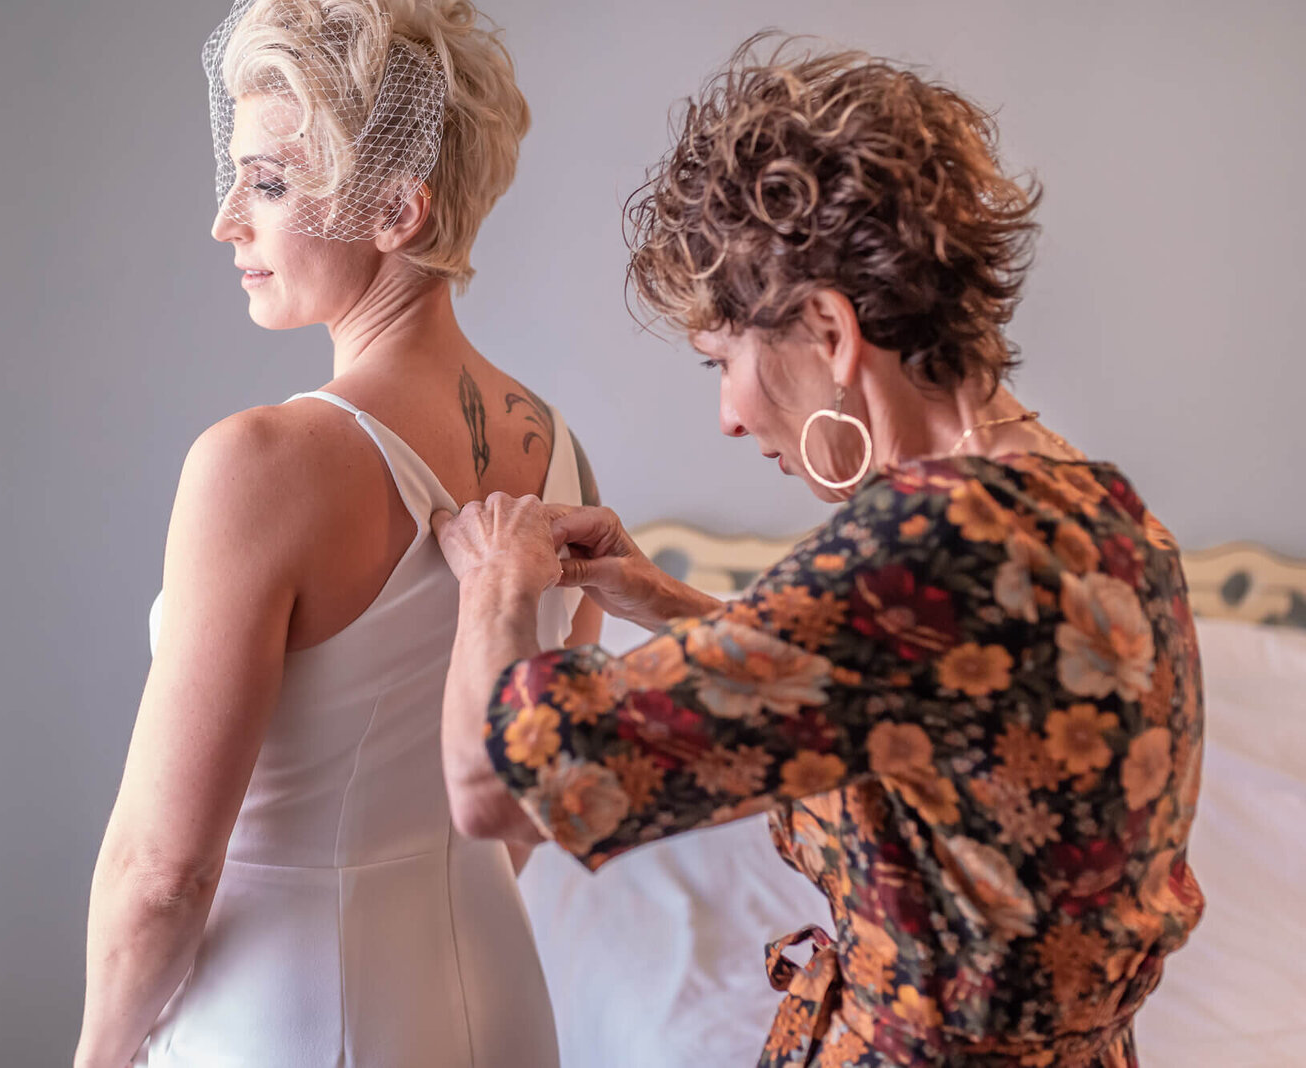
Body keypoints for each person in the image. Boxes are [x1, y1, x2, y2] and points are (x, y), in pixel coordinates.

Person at [432, 35, 1203, 1068]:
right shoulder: (1096, 513)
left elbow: (498, 785)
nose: (727, 416)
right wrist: (660, 601)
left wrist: (492, 578)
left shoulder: (926, 544)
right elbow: (897, 700)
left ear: (831, 333)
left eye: (722, 362)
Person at [73, 1, 599, 1064]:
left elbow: (161, 873)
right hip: (497, 1001)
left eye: (267, 182)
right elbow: (537, 795)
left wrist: (97, 1053)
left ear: (398, 210)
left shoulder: (257, 464)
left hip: (288, 1016)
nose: (227, 218)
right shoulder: (559, 451)